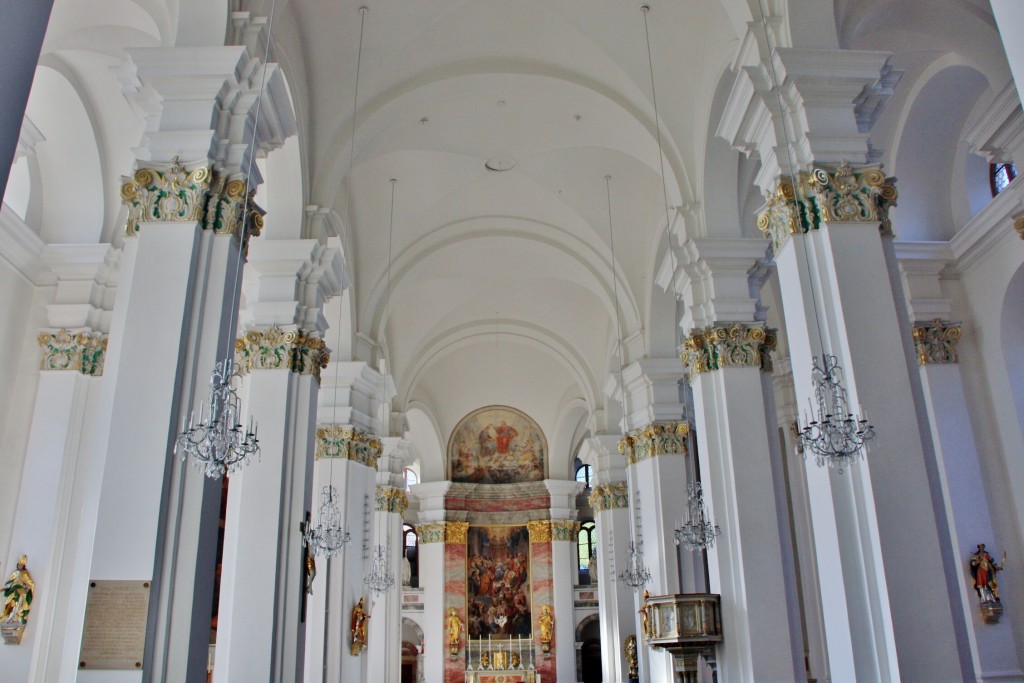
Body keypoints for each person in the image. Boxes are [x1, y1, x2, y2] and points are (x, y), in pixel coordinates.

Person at [1, 555, 34, 625]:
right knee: (10, 603)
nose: (20, 566)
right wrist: (5, 588)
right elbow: (10, 582)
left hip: (20, 591)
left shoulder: (25, 573)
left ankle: (16, 616)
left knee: (19, 603)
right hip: (13, 590)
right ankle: (9, 616)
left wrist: (26, 587)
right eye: (19, 564)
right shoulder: (15, 573)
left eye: (21, 565)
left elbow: (30, 583)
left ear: (23, 565)